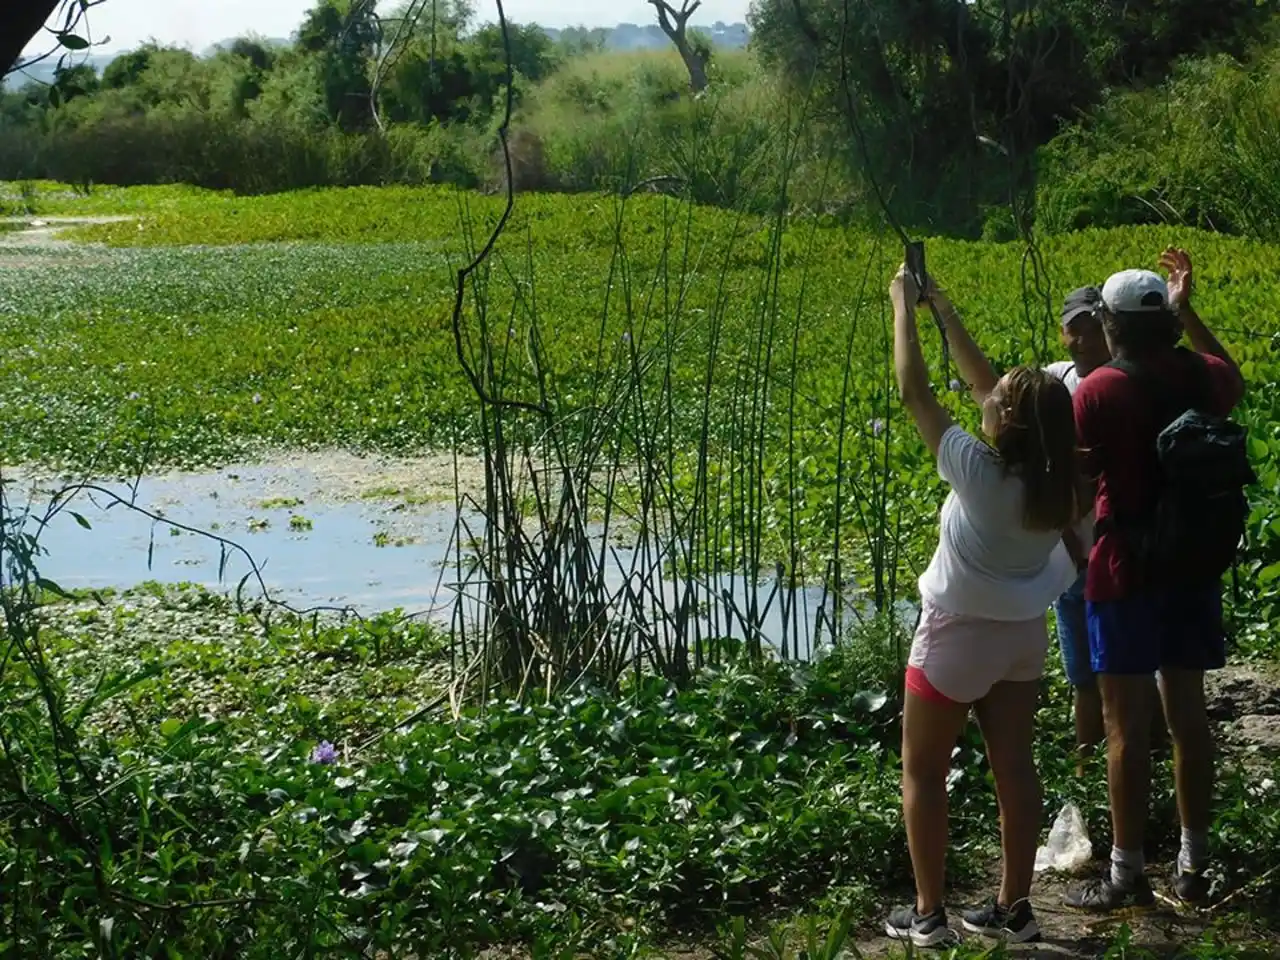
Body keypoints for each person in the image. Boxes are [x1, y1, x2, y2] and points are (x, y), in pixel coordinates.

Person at [885, 265, 1079, 947]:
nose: (986, 396)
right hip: (1022, 640)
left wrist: (901, 309)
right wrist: (942, 306)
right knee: (1014, 770)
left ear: (1008, 423)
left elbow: (916, 390)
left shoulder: (978, 471)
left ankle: (930, 914)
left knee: (923, 772)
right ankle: (1015, 907)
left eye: (998, 399)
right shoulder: (1061, 483)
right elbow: (987, 387)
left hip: (955, 639)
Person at [1064, 249, 1246, 912]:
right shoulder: (1204, 378)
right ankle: (1193, 866)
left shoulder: (1097, 390)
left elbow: (1081, 488)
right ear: (1164, 321)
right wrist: (1188, 312)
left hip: (1124, 569)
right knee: (1188, 718)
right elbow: (1235, 379)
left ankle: (1126, 870)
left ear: (1110, 324)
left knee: (1124, 727)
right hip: (1193, 567)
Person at [1044, 287, 1110, 770]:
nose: (1083, 340)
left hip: (1115, 555)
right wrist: (1066, 536)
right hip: (1068, 560)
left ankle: (1136, 766)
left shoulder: (1123, 385)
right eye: (1075, 330)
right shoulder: (1053, 383)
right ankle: (1087, 769)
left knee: (1125, 675)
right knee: (1082, 678)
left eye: (1094, 328)